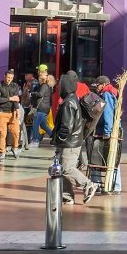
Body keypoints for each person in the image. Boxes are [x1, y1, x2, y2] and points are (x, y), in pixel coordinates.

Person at [52, 72, 97, 204]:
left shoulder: (68, 103)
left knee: (66, 168)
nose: (59, 89)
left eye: (60, 86)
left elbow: (67, 126)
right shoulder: (72, 99)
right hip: (72, 141)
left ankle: (88, 185)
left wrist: (59, 138)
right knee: (62, 168)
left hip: (69, 142)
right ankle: (67, 197)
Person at [0, 70, 23, 160]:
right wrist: (10, 98)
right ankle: (2, 152)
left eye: (11, 78)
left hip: (13, 112)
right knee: (2, 134)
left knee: (16, 132)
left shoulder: (15, 86)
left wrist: (17, 110)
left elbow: (16, 100)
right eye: (8, 77)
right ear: (4, 76)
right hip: (2, 112)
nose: (9, 80)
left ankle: (14, 148)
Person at [30, 64, 55, 146]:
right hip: (45, 108)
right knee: (44, 125)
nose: (38, 80)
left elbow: (40, 94)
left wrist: (32, 93)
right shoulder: (47, 86)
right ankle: (54, 138)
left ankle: (35, 141)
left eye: (39, 79)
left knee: (35, 124)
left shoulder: (44, 86)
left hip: (41, 108)